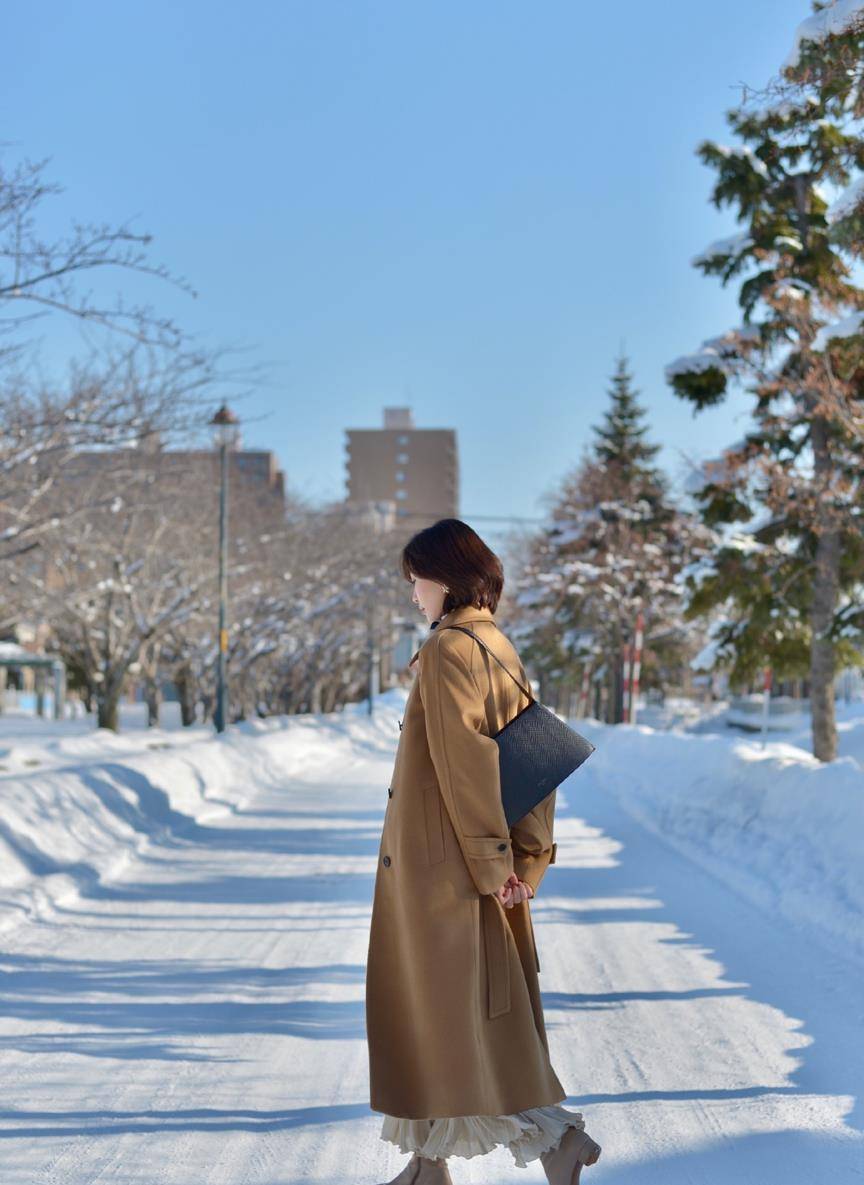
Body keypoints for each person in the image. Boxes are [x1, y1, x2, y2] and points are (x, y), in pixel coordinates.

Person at [365, 518, 602, 1184]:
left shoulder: (447, 650)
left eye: (416, 578)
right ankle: (427, 1168)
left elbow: (470, 768)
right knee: (447, 1021)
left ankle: (557, 1138)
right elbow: (532, 762)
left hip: (447, 880)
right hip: (479, 869)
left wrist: (496, 867)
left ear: (443, 576)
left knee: (452, 1024)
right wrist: (527, 860)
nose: (413, 593)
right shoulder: (497, 644)